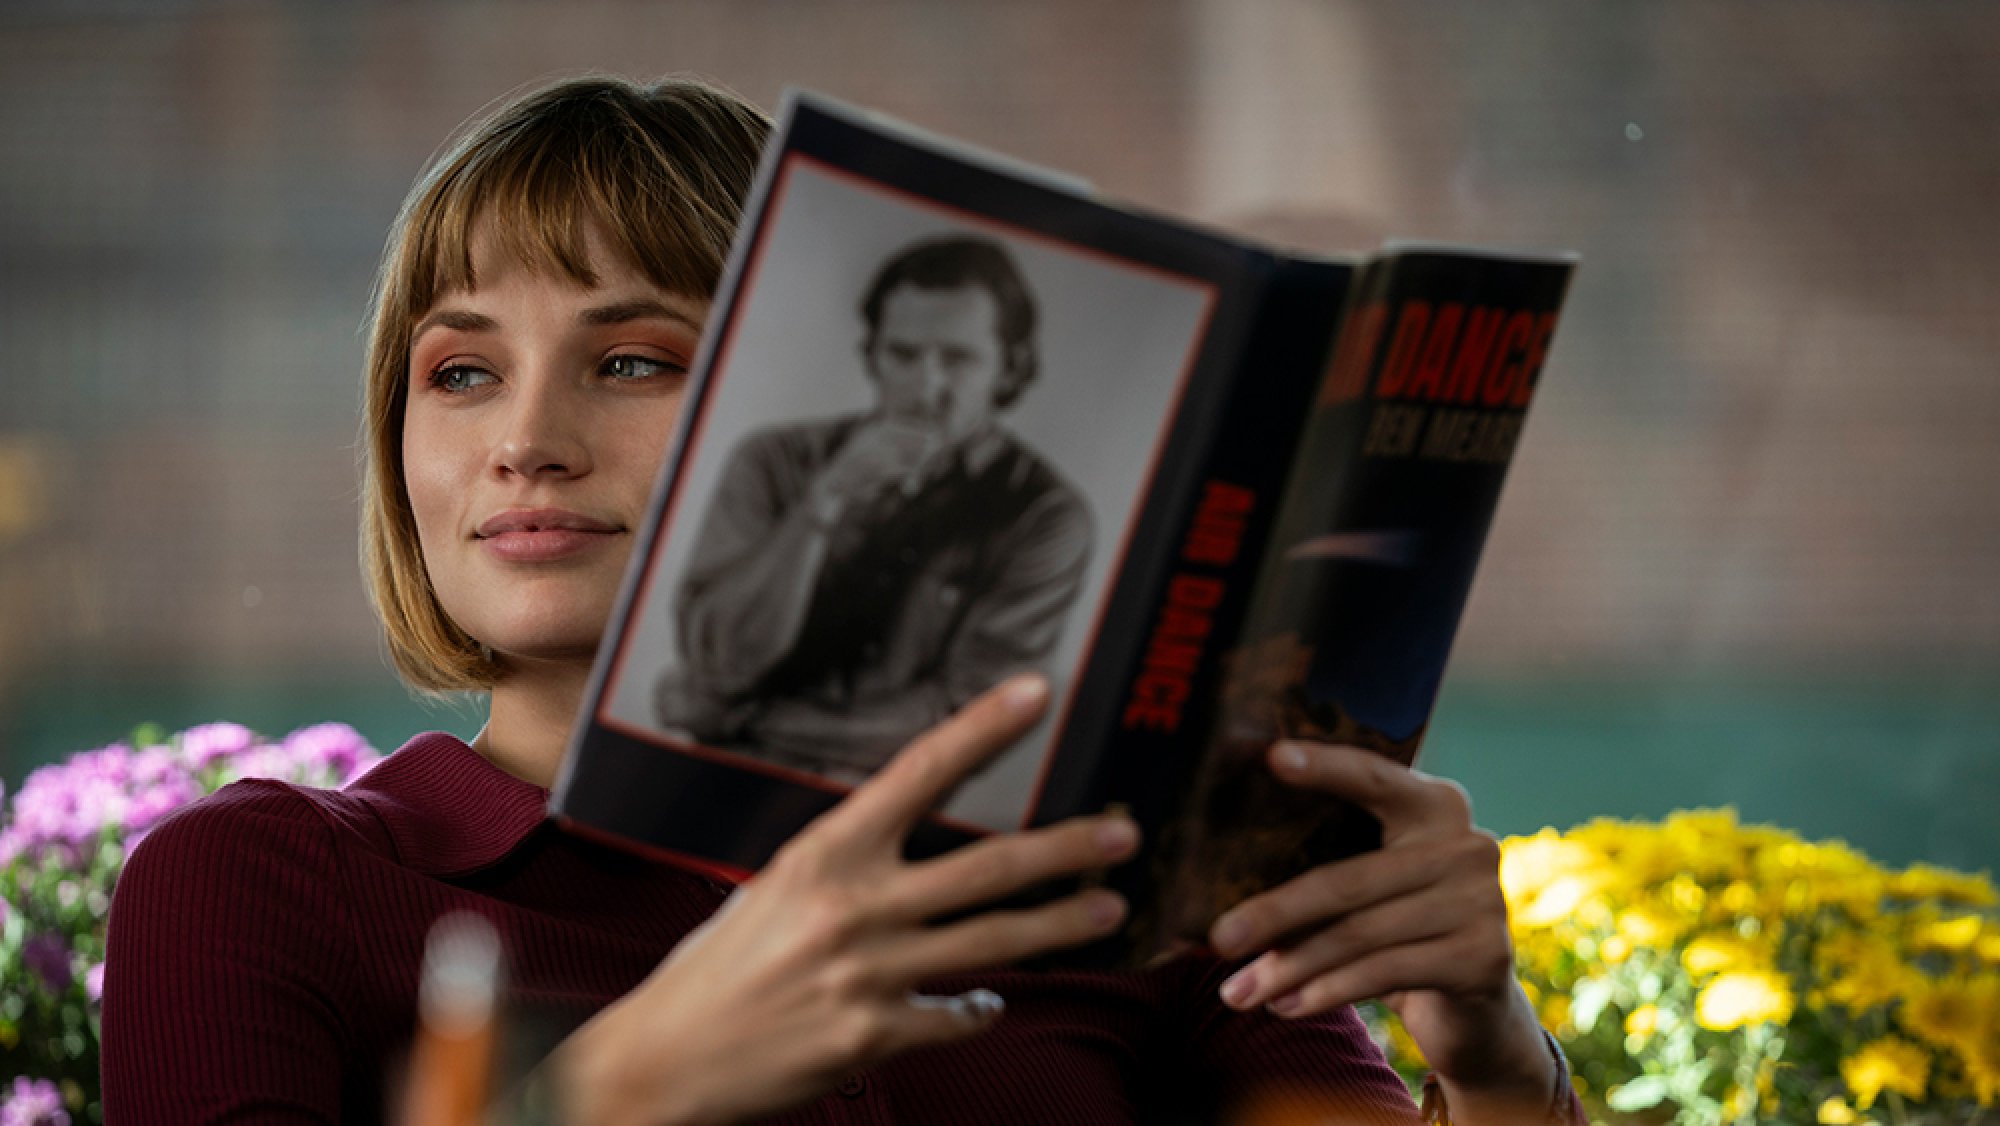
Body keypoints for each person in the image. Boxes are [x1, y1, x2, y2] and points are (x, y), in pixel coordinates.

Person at [101, 75, 1583, 1125]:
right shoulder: (262, 883)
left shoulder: (1102, 875)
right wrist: (618, 1094)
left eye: (633, 360)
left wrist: (1497, 1055)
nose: (526, 439)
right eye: (461, 370)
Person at [655, 235, 1093, 781]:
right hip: (707, 786)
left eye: (958, 359)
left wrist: (745, 716)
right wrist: (822, 504)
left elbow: (969, 719)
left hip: (882, 812)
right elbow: (718, 659)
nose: (926, 387)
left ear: (1009, 368)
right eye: (903, 355)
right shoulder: (773, 460)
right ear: (872, 357)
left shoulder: (1046, 516)